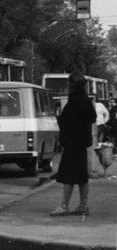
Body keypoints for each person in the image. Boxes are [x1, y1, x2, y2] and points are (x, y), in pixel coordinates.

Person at [50, 73, 96, 216]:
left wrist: (61, 121)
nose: (67, 85)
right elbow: (92, 117)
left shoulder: (73, 100)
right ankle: (83, 205)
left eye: (68, 83)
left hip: (72, 143)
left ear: (72, 84)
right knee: (82, 176)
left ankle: (64, 206)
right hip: (82, 143)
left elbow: (66, 121)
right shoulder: (86, 100)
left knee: (67, 175)